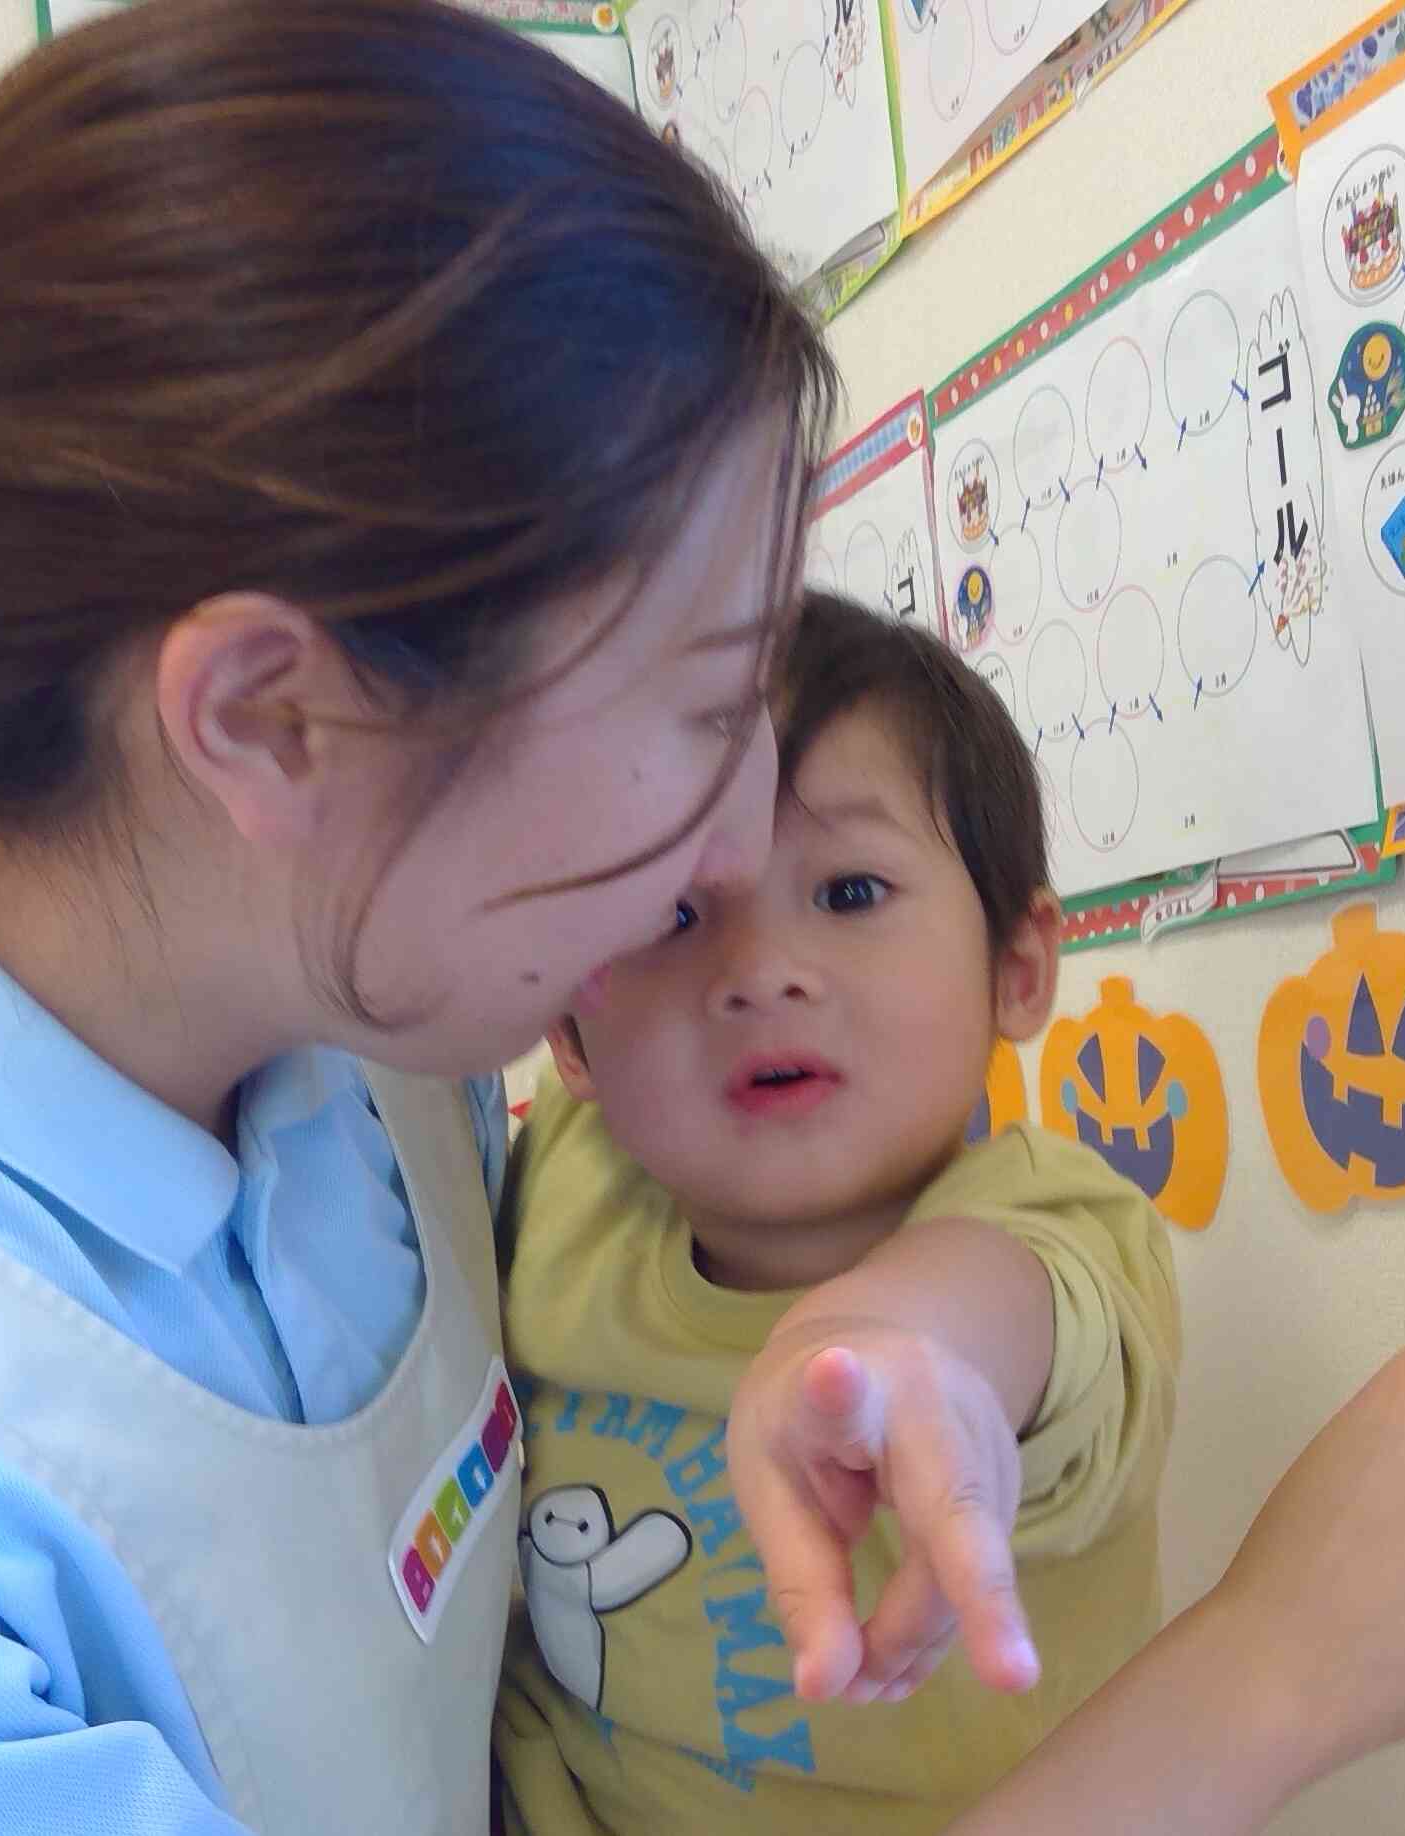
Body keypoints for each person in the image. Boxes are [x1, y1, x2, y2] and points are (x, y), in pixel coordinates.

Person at [0, 2, 1405, 1830]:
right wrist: (1270, 1677)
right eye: (704, 705)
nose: (733, 857)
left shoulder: (373, 1061)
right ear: (272, 716)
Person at [495, 594, 1177, 1833]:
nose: (760, 972)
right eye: (673, 915)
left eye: (851, 892)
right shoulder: (560, 1182)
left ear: (1016, 969)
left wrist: (886, 1357)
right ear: (568, 1030)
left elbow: (992, 1313)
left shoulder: (1057, 1225)